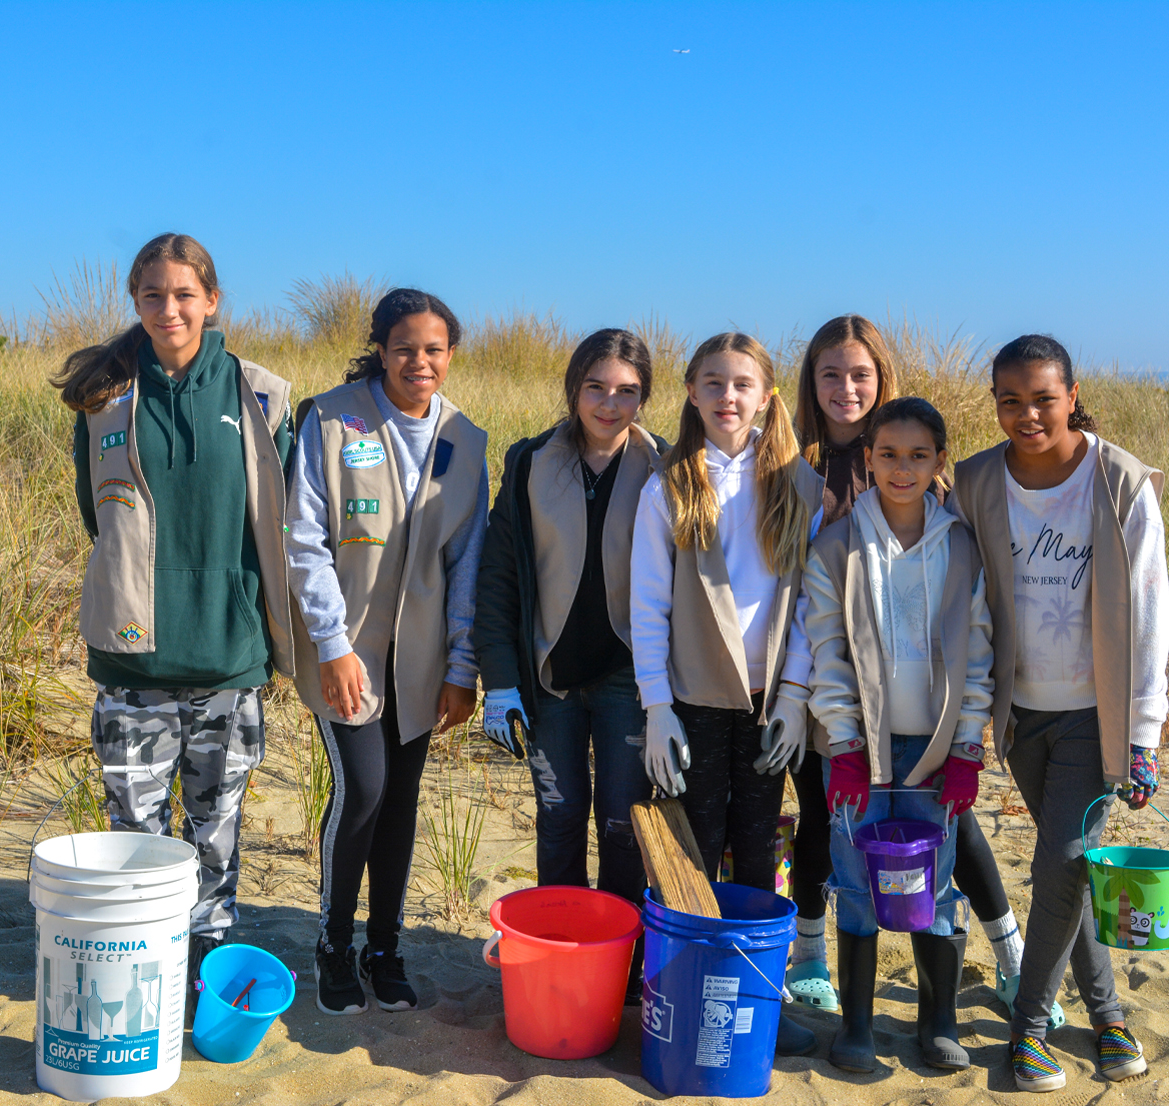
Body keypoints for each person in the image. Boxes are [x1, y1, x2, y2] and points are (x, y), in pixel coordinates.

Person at [785, 316, 1054, 1032]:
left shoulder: (944, 506)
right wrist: (820, 720)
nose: (846, 387)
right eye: (830, 374)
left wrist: (967, 746)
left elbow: (973, 630)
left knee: (950, 847)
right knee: (832, 836)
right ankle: (816, 964)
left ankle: (1008, 955)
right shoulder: (794, 466)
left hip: (931, 722)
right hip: (832, 703)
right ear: (811, 384)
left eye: (860, 374)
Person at [54, 233, 296, 1010]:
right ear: (136, 303)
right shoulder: (104, 400)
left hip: (229, 659)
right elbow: (100, 521)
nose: (169, 309)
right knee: (138, 836)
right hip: (134, 667)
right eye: (153, 296)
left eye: (184, 294)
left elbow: (283, 524)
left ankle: (206, 957)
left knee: (216, 827)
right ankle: (143, 958)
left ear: (213, 300)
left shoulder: (263, 395)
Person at [951, 334, 1168, 1093]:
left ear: (1072, 396)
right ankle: (1108, 1017)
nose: (1028, 414)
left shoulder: (1119, 481)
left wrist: (1142, 736)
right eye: (1010, 400)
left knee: (1064, 865)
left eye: (1043, 397)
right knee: (1069, 875)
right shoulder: (975, 480)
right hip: (1020, 717)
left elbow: (1149, 617)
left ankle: (1030, 1029)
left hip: (1093, 715)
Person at [286, 288, 488, 1016]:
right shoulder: (331, 419)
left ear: (451, 354)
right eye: (405, 347)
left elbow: (468, 563)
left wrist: (463, 668)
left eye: (434, 349)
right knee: (363, 789)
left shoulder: (468, 441)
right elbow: (303, 540)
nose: (420, 362)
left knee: (400, 800)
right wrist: (333, 645)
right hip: (348, 653)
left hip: (424, 662)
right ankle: (334, 943)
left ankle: (384, 946)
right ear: (380, 348)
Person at [628, 331, 823, 1055]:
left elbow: (808, 601)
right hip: (695, 707)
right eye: (713, 383)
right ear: (690, 393)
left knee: (757, 856)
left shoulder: (800, 485)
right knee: (695, 857)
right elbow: (648, 606)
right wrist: (657, 708)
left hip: (770, 706)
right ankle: (686, 1000)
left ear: (767, 397)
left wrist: (796, 697)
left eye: (743, 384)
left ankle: (756, 1010)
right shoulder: (670, 485)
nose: (728, 397)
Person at [805, 397, 992, 1071]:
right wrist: (846, 744)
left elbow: (978, 656)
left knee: (934, 887)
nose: (902, 469)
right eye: (888, 454)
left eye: (919, 456)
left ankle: (936, 1021)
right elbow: (826, 650)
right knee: (856, 883)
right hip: (858, 755)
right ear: (869, 458)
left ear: (941, 460)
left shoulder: (961, 546)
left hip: (935, 756)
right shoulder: (836, 545)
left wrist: (966, 748)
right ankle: (855, 1026)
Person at [472, 329, 665, 918]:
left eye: (627, 391)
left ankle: (623, 967)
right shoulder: (530, 461)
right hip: (549, 678)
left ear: (644, 397)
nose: (610, 404)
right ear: (573, 389)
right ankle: (562, 947)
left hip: (627, 679)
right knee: (558, 817)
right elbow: (499, 577)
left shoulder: (666, 467)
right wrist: (500, 680)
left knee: (622, 824)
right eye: (596, 387)